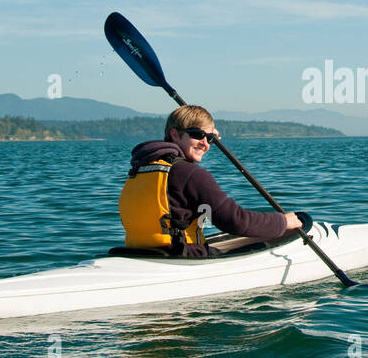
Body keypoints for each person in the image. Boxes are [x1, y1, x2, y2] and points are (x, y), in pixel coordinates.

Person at [120, 105, 302, 256]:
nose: (205, 143)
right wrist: (282, 222)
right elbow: (234, 221)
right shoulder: (190, 174)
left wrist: (203, 133)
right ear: (175, 135)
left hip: (138, 253)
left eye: (210, 138)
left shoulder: (141, 168)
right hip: (181, 256)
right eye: (197, 135)